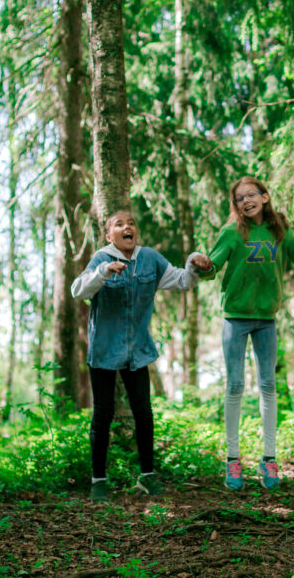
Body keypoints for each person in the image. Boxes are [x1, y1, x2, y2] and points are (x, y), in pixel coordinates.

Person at [71, 210, 212, 503]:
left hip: (137, 349)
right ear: (109, 235)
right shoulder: (101, 258)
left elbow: (183, 281)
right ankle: (98, 481)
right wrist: (104, 272)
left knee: (143, 413)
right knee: (103, 413)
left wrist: (192, 262)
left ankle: (147, 476)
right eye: (119, 224)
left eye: (131, 223)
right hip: (105, 348)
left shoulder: (150, 258)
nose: (127, 227)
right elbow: (78, 290)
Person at [200, 177, 294, 491]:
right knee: (235, 385)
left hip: (267, 319)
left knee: (268, 385)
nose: (246, 201)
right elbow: (212, 268)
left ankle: (269, 458)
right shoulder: (232, 232)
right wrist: (203, 265)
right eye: (239, 199)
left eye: (250, 195)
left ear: (265, 197)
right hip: (235, 318)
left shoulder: (280, 231)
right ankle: (233, 460)